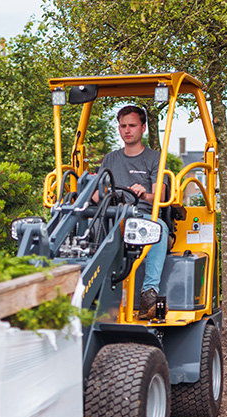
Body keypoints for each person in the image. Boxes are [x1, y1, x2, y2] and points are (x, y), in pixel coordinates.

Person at [96, 105, 170, 320]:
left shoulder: (155, 158)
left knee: (158, 229)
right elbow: (98, 193)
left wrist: (144, 194)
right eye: (123, 126)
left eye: (132, 125)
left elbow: (160, 196)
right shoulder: (110, 159)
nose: (127, 130)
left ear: (143, 128)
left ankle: (149, 293)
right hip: (113, 216)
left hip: (143, 217)